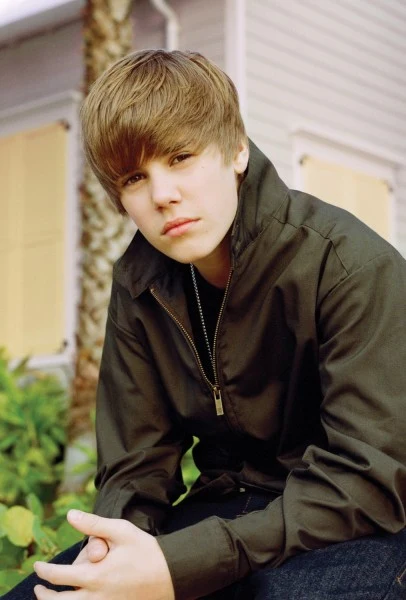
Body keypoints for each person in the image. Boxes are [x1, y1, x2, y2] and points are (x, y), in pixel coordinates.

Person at [4, 49, 406, 600]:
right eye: (135, 177)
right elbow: (135, 464)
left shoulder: (350, 266)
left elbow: (369, 481)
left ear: (237, 150)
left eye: (181, 157)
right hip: (229, 507)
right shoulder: (140, 284)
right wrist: (113, 551)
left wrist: (183, 565)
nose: (162, 195)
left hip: (353, 520)